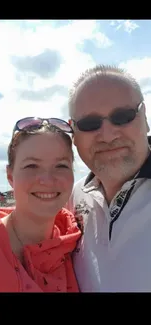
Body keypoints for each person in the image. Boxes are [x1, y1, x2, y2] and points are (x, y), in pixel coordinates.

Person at [67, 64, 151, 292]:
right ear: (74, 134)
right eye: (90, 124)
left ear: (145, 117)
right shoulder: (73, 196)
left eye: (123, 117)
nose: (107, 135)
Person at [0, 117, 81, 292]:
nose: (47, 180)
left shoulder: (78, 246)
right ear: (10, 176)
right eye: (32, 166)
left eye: (61, 166)